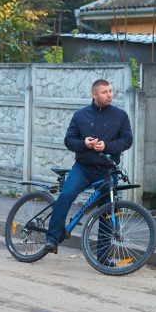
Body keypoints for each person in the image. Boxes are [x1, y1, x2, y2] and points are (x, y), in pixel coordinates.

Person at [44, 79, 132, 257]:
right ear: (94, 95)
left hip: (108, 170)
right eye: (104, 92)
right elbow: (69, 140)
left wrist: (106, 146)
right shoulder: (80, 115)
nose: (109, 95)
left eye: (110, 91)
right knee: (67, 195)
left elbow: (127, 140)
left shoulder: (120, 116)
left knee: (108, 211)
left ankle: (103, 256)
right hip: (83, 168)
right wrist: (84, 143)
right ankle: (52, 238)